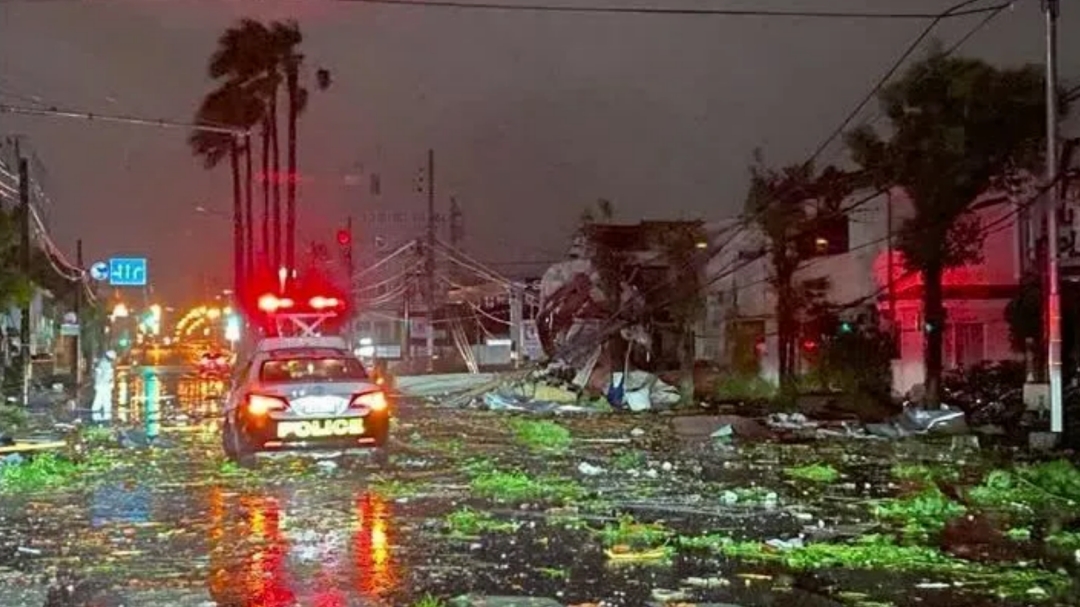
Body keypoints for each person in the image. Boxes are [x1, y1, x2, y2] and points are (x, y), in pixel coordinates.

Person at [91, 350, 117, 424]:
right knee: (103, 401)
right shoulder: (105, 364)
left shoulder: (102, 363)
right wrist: (110, 383)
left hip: (102, 385)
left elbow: (98, 375)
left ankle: (99, 417)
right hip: (103, 386)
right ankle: (103, 417)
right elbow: (105, 376)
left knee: (101, 401)